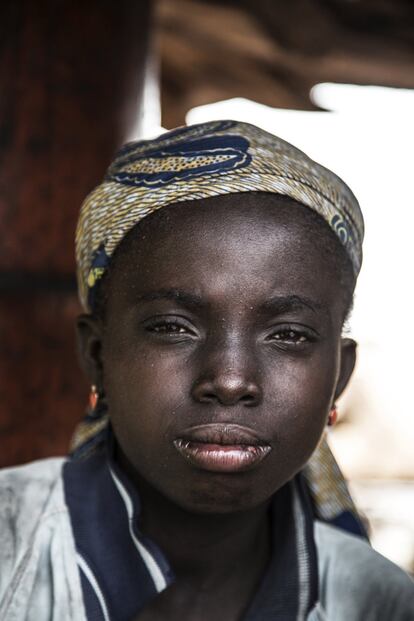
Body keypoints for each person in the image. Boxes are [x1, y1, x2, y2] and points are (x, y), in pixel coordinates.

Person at [0, 120, 413, 621]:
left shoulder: (382, 603)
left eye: (289, 334)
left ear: (338, 378)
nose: (231, 379)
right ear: (97, 354)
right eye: (173, 326)